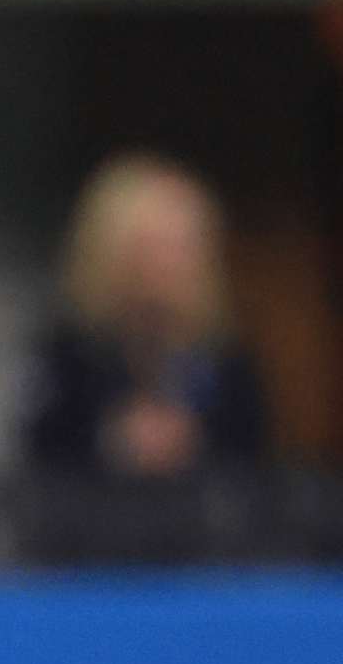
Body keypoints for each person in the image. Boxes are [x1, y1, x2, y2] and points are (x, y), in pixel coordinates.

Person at [17, 153, 270, 478]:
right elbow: (34, 460)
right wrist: (109, 440)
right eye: (153, 248)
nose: (169, 266)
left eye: (183, 248)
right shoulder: (68, 356)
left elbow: (255, 468)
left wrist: (193, 442)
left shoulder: (225, 361)